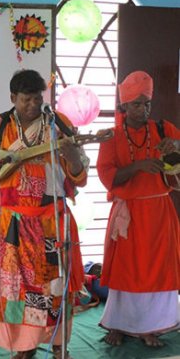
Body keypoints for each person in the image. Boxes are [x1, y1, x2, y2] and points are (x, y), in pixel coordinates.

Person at [0, 69, 88, 359]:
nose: (33, 104)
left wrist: (72, 158)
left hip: (51, 222)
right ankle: (23, 347)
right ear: (12, 98)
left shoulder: (59, 125)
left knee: (55, 287)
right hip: (13, 223)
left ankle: (59, 345)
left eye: (37, 98)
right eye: (25, 99)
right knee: (16, 290)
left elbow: (80, 176)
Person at [96, 70, 180, 347]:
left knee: (158, 269)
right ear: (123, 106)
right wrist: (137, 167)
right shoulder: (112, 135)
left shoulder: (163, 129)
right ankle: (118, 324)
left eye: (146, 104)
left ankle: (151, 327)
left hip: (159, 212)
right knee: (125, 271)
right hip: (128, 215)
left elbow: (176, 167)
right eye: (136, 104)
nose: (143, 110)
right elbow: (107, 175)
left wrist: (175, 149)